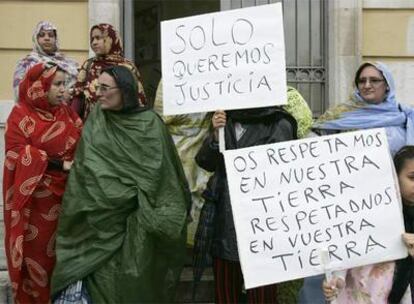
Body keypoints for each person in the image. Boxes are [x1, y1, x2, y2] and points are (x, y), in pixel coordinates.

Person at [51, 66, 191, 303]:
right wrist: (110, 192)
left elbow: (162, 178)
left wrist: (130, 196)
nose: (99, 94)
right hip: (96, 225)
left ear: (124, 91)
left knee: (131, 283)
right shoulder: (97, 119)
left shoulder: (149, 124)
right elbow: (86, 170)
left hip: (138, 224)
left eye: (105, 88)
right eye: (98, 88)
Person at [299, 61, 414, 304]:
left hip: (391, 215)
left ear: (387, 85)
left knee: (385, 278)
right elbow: (317, 151)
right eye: (362, 81)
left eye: (374, 80)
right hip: (347, 210)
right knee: (340, 272)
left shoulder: (404, 119)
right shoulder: (341, 117)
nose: (367, 85)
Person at [195, 105, 298, 303]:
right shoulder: (225, 119)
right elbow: (205, 162)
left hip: (263, 226)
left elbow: (282, 171)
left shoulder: (278, 122)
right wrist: (216, 136)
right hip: (225, 221)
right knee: (226, 294)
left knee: (261, 297)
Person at [3, 62, 82, 303]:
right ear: (40, 87)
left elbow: (83, 144)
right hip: (35, 206)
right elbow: (16, 153)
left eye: (63, 84)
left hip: (69, 201)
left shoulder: (67, 113)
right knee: (37, 259)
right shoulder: (20, 116)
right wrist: (58, 164)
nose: (62, 90)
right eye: (56, 84)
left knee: (64, 259)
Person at [323, 145, 414, 304]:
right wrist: (337, 281)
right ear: (394, 176)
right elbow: (349, 247)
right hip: (358, 294)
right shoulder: (372, 208)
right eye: (412, 178)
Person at [71, 23, 146, 120]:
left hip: (121, 124)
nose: (94, 42)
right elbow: (78, 96)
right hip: (92, 126)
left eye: (98, 38)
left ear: (112, 39)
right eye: (92, 39)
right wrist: (73, 121)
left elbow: (138, 100)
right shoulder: (88, 65)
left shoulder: (127, 67)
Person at [13, 21, 78, 102]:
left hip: (65, 111)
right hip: (36, 110)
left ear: (56, 39)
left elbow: (78, 86)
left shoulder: (68, 62)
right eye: (42, 35)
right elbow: (19, 93)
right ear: (36, 39)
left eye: (51, 35)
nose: (47, 38)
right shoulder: (26, 63)